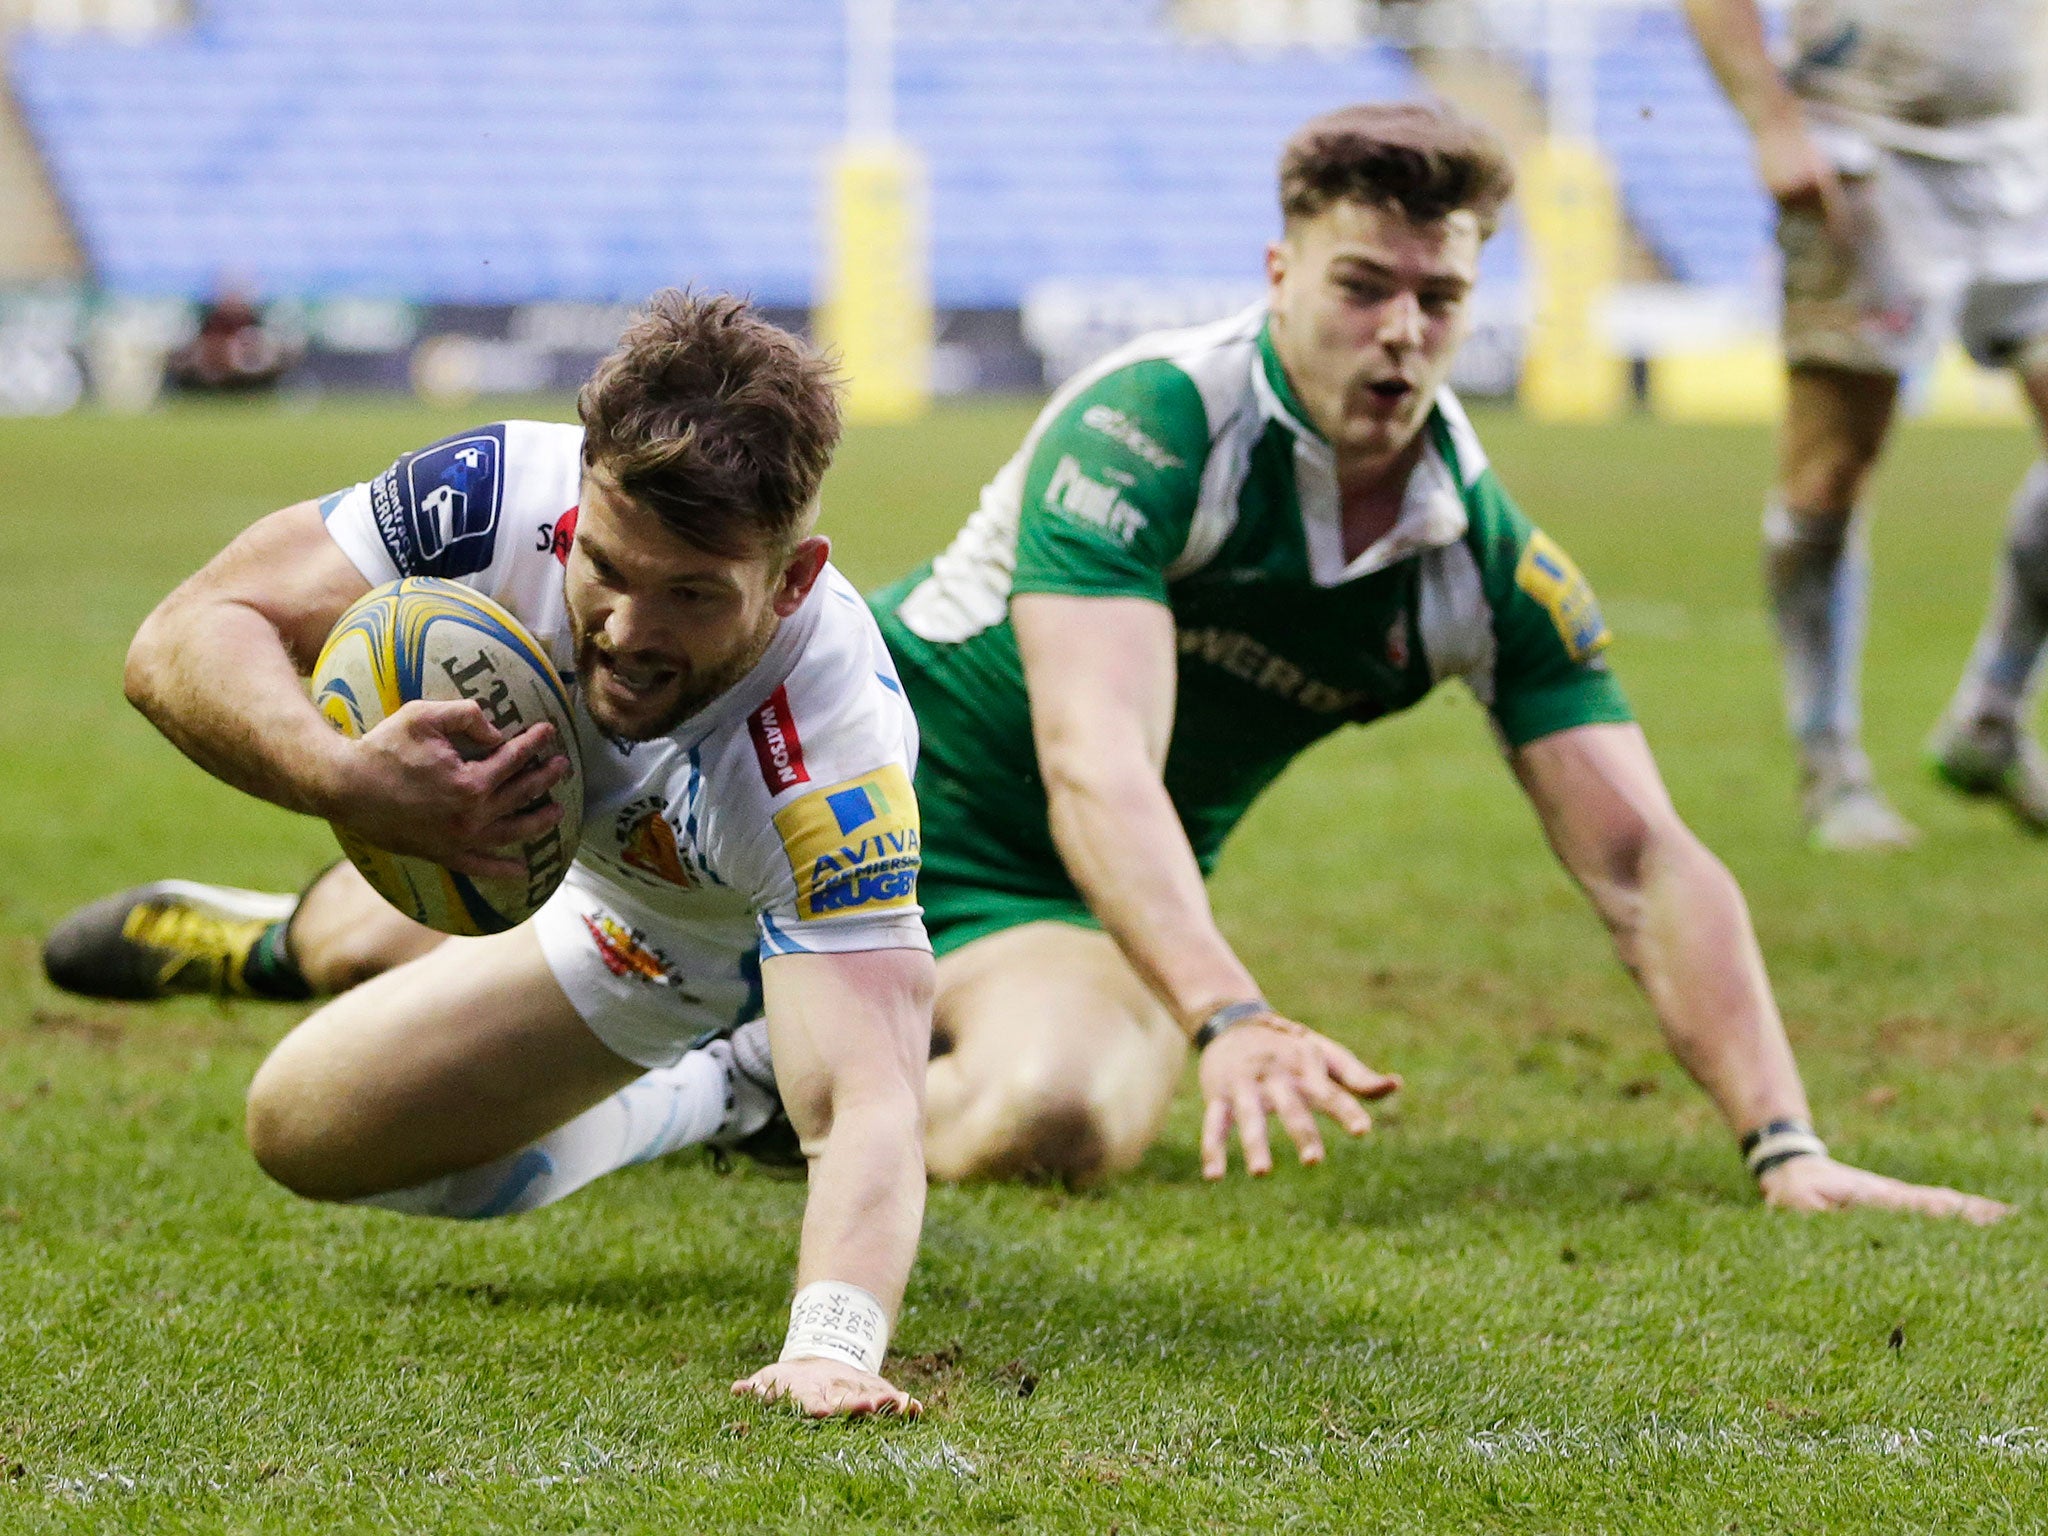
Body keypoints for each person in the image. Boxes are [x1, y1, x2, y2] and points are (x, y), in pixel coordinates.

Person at [49, 107, 2007, 1226]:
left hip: (1039, 915)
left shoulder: (1480, 560)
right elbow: (1088, 760)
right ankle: (275, 933)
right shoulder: (1146, 429)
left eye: (1440, 295)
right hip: (841, 807)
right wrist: (1233, 1008)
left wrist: (1787, 1144)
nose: (1400, 328)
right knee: (416, 930)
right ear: (1278, 277)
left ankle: (728, 1101)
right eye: (1360, 282)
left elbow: (1645, 860)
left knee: (1070, 1113)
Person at [47, 292, 936, 1419]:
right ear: (579, 498)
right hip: (549, 850)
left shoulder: (825, 764)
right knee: (302, 1123)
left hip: (679, 939)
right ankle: (292, 939)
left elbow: (867, 1101)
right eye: (607, 566)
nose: (624, 628)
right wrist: (343, 780)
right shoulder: (491, 494)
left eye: (692, 596)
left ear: (793, 581)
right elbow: (191, 630)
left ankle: (719, 1084)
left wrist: (834, 1346)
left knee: (321, 1113)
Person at [1686, 0, 2048, 848]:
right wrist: (1772, 123)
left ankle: (1990, 719)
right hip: (1863, 147)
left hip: (2021, 151)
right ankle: (1830, 765)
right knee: (1831, 468)